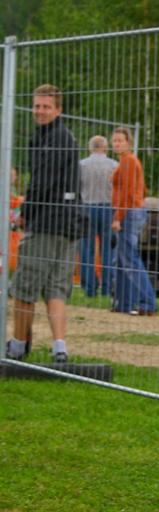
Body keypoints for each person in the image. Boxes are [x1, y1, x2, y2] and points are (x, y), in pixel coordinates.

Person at [6, 84, 83, 363]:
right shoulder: (56, 136)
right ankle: (60, 348)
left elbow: (41, 183)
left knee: (25, 286)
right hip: (69, 223)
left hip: (47, 223)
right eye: (36, 106)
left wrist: (24, 212)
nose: (39, 111)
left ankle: (17, 346)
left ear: (58, 109)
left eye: (46, 106)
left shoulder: (54, 139)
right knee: (55, 288)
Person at [110, 127, 157, 315]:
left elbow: (128, 194)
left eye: (120, 140)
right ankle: (123, 303)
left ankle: (147, 302)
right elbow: (141, 189)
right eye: (114, 140)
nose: (116, 144)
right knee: (122, 260)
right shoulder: (127, 160)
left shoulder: (128, 161)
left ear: (128, 142)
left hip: (129, 212)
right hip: (133, 211)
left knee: (129, 260)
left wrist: (118, 217)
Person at [79, 135, 118, 297]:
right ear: (105, 147)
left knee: (86, 248)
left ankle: (89, 288)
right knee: (107, 249)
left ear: (90, 147)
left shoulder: (81, 165)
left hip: (87, 207)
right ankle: (107, 288)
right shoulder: (114, 165)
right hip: (108, 208)